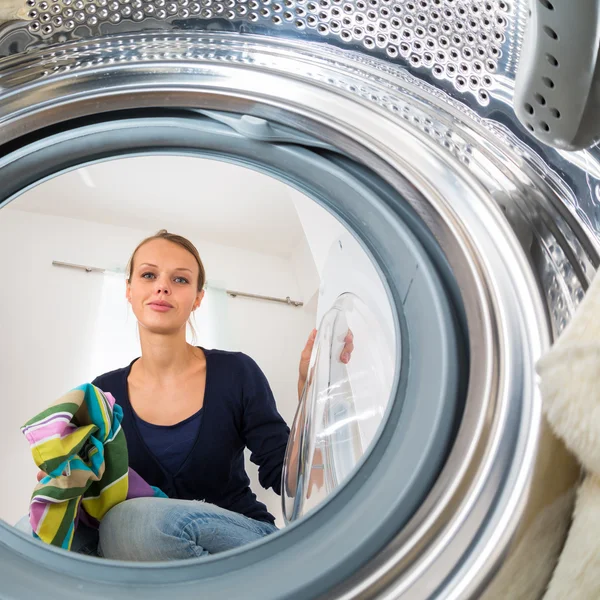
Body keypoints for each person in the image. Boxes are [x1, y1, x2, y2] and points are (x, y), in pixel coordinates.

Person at [22, 229, 353, 561]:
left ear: (197, 297)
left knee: (133, 522)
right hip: (142, 552)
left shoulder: (236, 372)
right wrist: (68, 479)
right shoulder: (104, 393)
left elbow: (295, 483)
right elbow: (96, 488)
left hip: (241, 541)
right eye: (149, 275)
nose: (162, 286)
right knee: (28, 534)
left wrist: (312, 391)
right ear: (129, 290)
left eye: (180, 280)